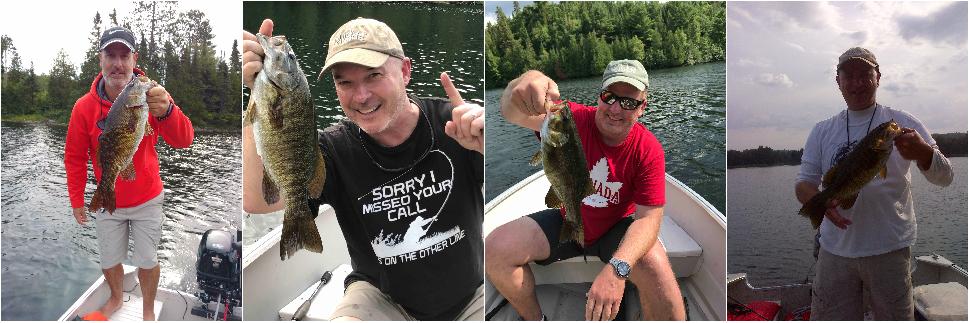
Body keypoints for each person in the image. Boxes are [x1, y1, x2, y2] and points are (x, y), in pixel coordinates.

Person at [241, 18, 485, 321]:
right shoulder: (333, 149)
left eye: (374, 76)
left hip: (473, 293)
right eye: (345, 82)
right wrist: (257, 95)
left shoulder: (457, 127)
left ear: (405, 71)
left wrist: (484, 144)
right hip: (379, 297)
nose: (361, 96)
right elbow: (256, 201)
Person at [486, 60, 686, 321]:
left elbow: (649, 218)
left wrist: (618, 269)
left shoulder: (648, 150)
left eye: (628, 102)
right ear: (599, 97)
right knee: (495, 249)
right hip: (568, 215)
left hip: (616, 227)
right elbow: (510, 112)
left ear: (642, 108)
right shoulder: (570, 119)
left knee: (661, 278)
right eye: (609, 97)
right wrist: (525, 83)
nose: (615, 108)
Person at [794, 47, 953, 320]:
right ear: (838, 81)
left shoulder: (904, 122)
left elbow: (946, 176)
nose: (857, 83)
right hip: (835, 252)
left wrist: (924, 153)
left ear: (878, 77)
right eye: (849, 76)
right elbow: (804, 184)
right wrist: (818, 203)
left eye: (865, 74)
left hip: (889, 249)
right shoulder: (821, 131)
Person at [64, 26, 194, 321]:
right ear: (101, 59)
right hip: (109, 198)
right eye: (111, 55)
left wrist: (168, 111)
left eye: (125, 55)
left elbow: (185, 140)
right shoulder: (83, 108)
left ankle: (148, 310)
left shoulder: (151, 96)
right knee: (109, 258)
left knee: (147, 259)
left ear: (135, 59)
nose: (118, 63)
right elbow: (74, 157)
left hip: (148, 198)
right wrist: (76, 198)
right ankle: (116, 298)